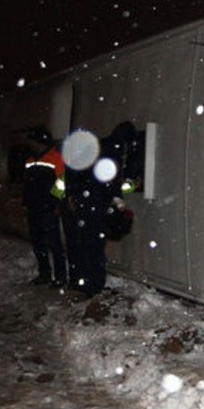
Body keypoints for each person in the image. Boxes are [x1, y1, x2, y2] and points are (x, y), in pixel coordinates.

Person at [64, 123, 138, 299]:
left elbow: (77, 174)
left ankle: (81, 281)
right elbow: (109, 180)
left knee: (84, 245)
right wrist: (118, 200)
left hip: (84, 204)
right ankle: (94, 285)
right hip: (94, 206)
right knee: (95, 247)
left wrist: (73, 196)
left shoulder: (99, 147)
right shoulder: (113, 151)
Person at [22, 126, 67, 287]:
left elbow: (62, 183)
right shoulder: (30, 160)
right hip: (34, 207)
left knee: (54, 243)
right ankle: (44, 273)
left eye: (32, 141)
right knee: (38, 242)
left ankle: (60, 276)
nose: (30, 144)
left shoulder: (54, 158)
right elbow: (27, 184)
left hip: (49, 207)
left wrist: (58, 204)